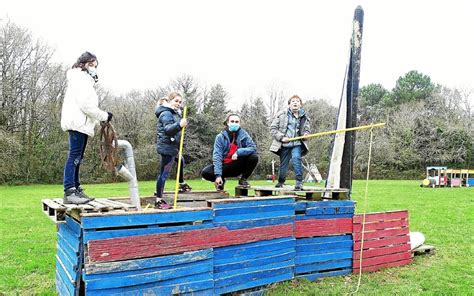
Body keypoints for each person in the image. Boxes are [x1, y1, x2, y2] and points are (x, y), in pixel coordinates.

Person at [61, 51, 113, 204]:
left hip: (81, 123)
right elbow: (86, 105)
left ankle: (75, 189)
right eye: (91, 65)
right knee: (74, 157)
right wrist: (104, 116)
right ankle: (69, 191)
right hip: (78, 123)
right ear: (82, 64)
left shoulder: (83, 80)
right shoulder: (81, 80)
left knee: (78, 157)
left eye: (95, 66)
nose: (93, 68)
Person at [201, 114, 258, 191]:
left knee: (254, 157)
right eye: (232, 121)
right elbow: (217, 156)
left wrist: (238, 152)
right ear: (227, 122)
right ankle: (221, 181)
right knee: (205, 172)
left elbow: (253, 148)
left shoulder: (244, 135)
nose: (234, 123)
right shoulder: (220, 137)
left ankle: (243, 179)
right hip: (224, 166)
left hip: (237, 164)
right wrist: (218, 175)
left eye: (237, 122)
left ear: (239, 123)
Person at [154, 92, 191, 209]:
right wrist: (180, 125)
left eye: (180, 102)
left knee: (181, 160)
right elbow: (168, 129)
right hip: (167, 148)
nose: (178, 104)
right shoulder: (166, 113)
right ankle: (158, 200)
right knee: (164, 174)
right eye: (176, 101)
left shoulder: (174, 113)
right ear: (169, 101)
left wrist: (181, 125)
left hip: (173, 146)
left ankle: (181, 183)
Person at [270, 95, 311, 190]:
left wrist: (306, 134)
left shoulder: (305, 117)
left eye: (297, 101)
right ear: (289, 104)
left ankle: (299, 182)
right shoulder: (281, 115)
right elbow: (273, 129)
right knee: (284, 164)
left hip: (297, 144)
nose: (295, 103)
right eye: (293, 101)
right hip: (285, 144)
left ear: (300, 105)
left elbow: (307, 129)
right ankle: (281, 181)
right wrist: (281, 137)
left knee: (296, 159)